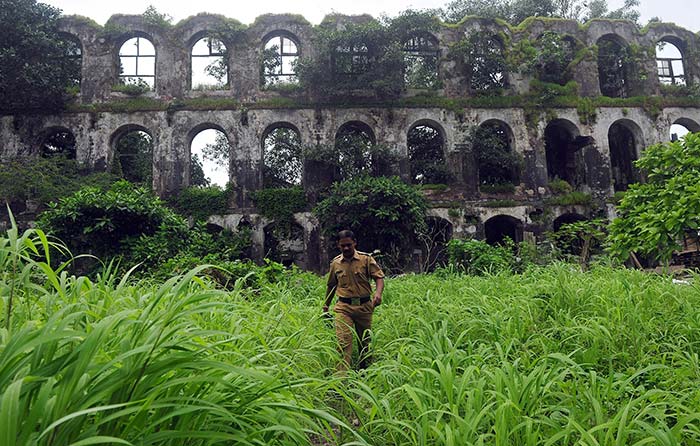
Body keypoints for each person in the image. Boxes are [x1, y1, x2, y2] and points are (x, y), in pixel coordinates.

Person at [323, 229, 385, 372]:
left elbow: (379, 277)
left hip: (364, 307)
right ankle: (340, 380)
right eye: (342, 245)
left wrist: (378, 293)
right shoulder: (336, 263)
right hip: (343, 307)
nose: (346, 248)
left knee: (365, 342)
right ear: (338, 245)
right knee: (343, 342)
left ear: (355, 243)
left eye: (349, 245)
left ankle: (365, 372)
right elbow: (332, 285)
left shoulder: (366, 259)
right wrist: (326, 304)